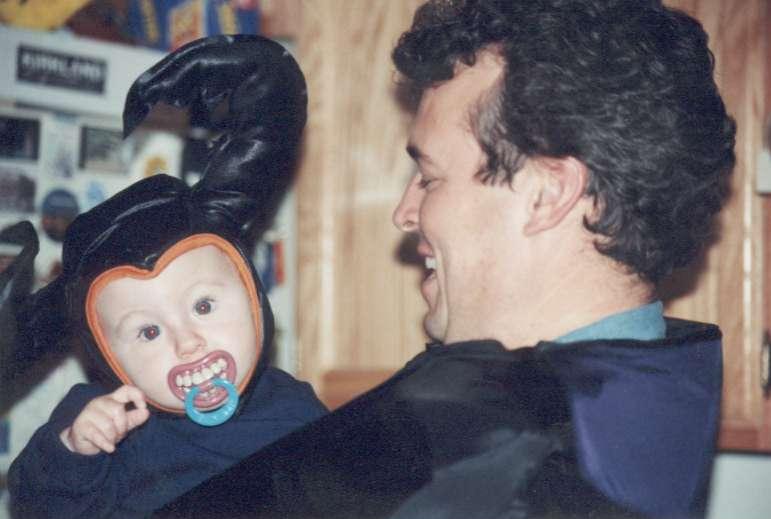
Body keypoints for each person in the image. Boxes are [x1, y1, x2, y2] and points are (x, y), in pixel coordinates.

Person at [153, 2, 734, 518]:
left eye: (430, 178)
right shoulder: (637, 398)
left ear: (548, 194)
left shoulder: (509, 470)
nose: (405, 213)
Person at [7, 35, 326, 519]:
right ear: (109, 357)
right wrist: (74, 449)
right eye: (148, 332)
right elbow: (34, 502)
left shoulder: (298, 413)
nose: (187, 343)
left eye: (203, 305)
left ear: (252, 295)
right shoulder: (109, 424)